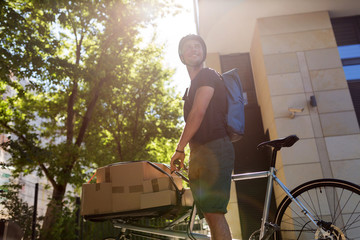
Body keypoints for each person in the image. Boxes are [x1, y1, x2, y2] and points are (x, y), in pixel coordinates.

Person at [170, 34, 235, 240]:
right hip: (200, 152)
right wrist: (189, 153)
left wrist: (179, 149)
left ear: (203, 52)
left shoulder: (207, 75)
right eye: (188, 47)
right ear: (182, 55)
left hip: (215, 148)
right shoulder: (190, 87)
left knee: (215, 214)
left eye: (197, 46)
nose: (194, 49)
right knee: (209, 214)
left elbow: (198, 112)